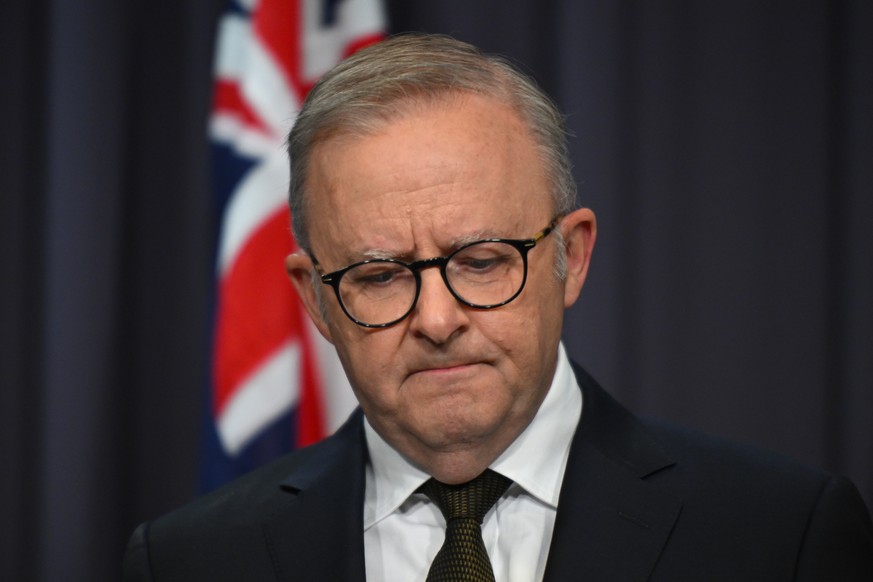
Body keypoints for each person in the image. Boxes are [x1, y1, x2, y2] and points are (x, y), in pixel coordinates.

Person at [123, 33, 873, 581]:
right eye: (380, 276)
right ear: (316, 298)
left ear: (569, 257)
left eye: (481, 262)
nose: (438, 320)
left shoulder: (779, 538)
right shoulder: (188, 561)